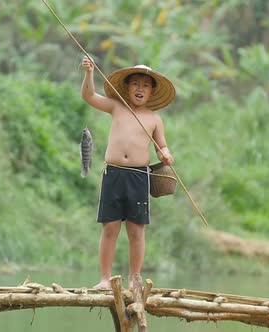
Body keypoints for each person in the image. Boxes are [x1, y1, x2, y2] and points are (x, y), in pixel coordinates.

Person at [80, 55, 175, 289]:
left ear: (152, 91)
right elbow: (89, 96)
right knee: (110, 227)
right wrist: (89, 73)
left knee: (136, 230)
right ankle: (104, 279)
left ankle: (135, 278)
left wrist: (166, 154)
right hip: (113, 174)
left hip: (139, 177)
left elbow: (162, 145)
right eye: (135, 84)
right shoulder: (117, 107)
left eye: (145, 85)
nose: (140, 88)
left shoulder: (154, 119)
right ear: (127, 87)